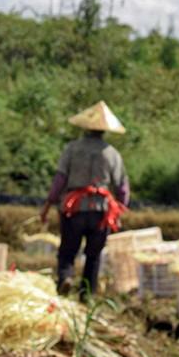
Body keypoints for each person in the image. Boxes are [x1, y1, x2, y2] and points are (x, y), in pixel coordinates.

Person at [39, 102, 130, 296]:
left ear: (86, 127)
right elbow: (122, 186)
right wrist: (120, 210)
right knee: (93, 255)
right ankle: (86, 294)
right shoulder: (112, 154)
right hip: (101, 210)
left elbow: (60, 179)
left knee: (67, 250)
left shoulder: (72, 149)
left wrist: (48, 204)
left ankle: (66, 278)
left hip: (74, 208)